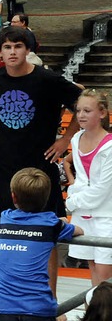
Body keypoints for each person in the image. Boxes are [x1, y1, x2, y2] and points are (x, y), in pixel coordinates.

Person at [0, 26, 82, 296]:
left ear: (28, 49)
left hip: (40, 168)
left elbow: (82, 102)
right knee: (8, 232)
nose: (12, 52)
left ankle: (50, 294)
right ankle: (10, 290)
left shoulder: (47, 79)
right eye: (7, 47)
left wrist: (65, 140)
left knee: (46, 236)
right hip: (5, 169)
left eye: (17, 46)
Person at [0, 168, 83, 321]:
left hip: (4, 305)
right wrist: (64, 222)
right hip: (38, 307)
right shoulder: (51, 224)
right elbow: (79, 231)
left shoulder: (6, 218)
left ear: (13, 197)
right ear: (46, 199)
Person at [64, 89, 112, 287]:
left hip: (106, 217)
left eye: (87, 111)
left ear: (102, 113)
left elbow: (102, 188)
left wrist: (72, 201)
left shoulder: (109, 146)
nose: (81, 115)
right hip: (84, 215)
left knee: (104, 276)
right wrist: (75, 196)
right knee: (92, 269)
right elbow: (81, 180)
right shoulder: (76, 139)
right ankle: (95, 311)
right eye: (78, 111)